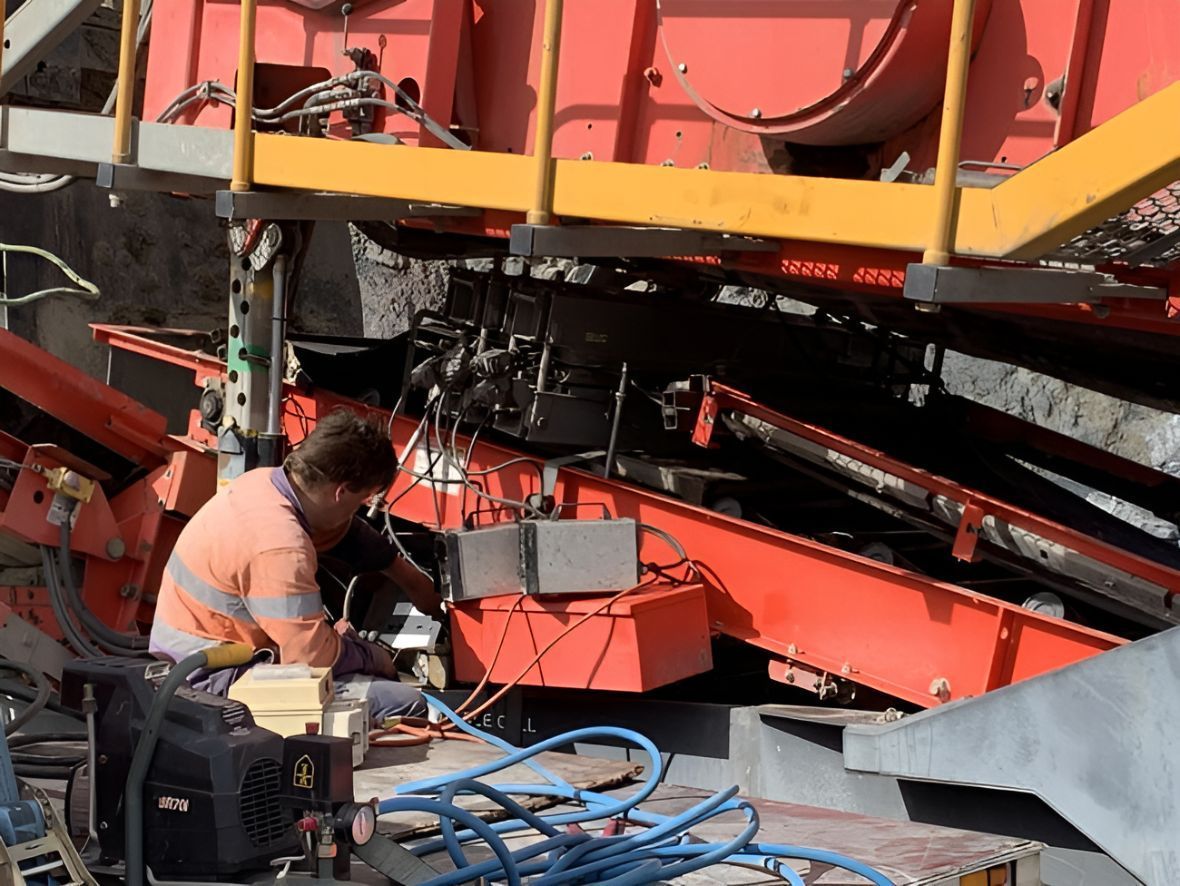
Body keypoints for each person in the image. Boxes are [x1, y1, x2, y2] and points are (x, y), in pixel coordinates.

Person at [149, 409, 442, 723]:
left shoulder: (263, 484)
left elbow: (342, 533)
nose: (356, 512)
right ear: (340, 492)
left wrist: (406, 575)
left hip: (190, 658)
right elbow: (310, 660)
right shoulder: (280, 545)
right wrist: (373, 657)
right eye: (360, 503)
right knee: (406, 701)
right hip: (209, 684)